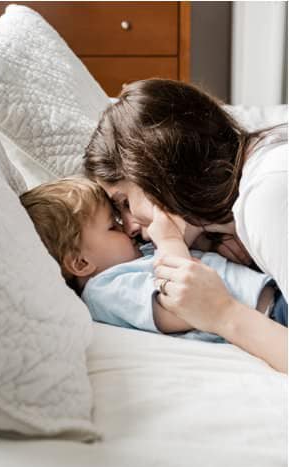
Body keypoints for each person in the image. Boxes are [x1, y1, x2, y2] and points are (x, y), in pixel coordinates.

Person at [83, 78, 288, 372]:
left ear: (156, 171)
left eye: (125, 203)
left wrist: (222, 313)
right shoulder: (225, 220)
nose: (129, 226)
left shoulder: (267, 195)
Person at [20, 177, 287, 372]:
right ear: (81, 263)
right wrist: (170, 240)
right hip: (270, 316)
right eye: (112, 227)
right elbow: (181, 306)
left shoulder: (133, 258)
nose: (128, 229)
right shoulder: (106, 291)